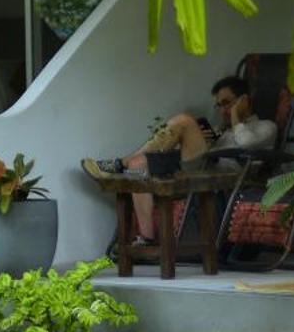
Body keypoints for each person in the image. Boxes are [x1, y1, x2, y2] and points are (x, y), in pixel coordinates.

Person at [79, 75, 277, 241]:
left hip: (225, 177)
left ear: (245, 100)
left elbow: (245, 143)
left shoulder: (266, 127)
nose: (223, 110)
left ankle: (117, 164)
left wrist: (235, 116)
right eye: (219, 105)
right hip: (199, 168)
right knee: (137, 165)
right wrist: (207, 140)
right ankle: (146, 239)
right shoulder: (222, 130)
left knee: (184, 120)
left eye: (228, 103)